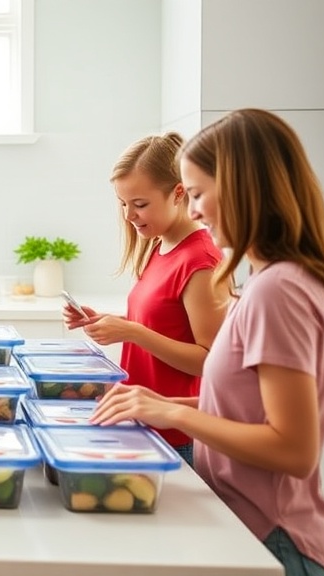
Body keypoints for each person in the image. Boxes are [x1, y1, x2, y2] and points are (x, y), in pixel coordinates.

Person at [92, 109, 324, 576]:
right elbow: (246, 407)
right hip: (254, 527)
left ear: (242, 189)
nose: (192, 211)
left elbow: (294, 450)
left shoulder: (279, 290)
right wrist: (162, 400)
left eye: (196, 194)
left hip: (277, 538)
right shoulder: (272, 281)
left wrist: (172, 413)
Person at [63, 132, 229, 466]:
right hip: (141, 422)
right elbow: (165, 325)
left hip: (174, 435)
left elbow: (210, 361)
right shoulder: (160, 245)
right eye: (123, 204)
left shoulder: (200, 261)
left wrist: (132, 333)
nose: (128, 215)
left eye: (139, 204)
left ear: (178, 194)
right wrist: (112, 322)